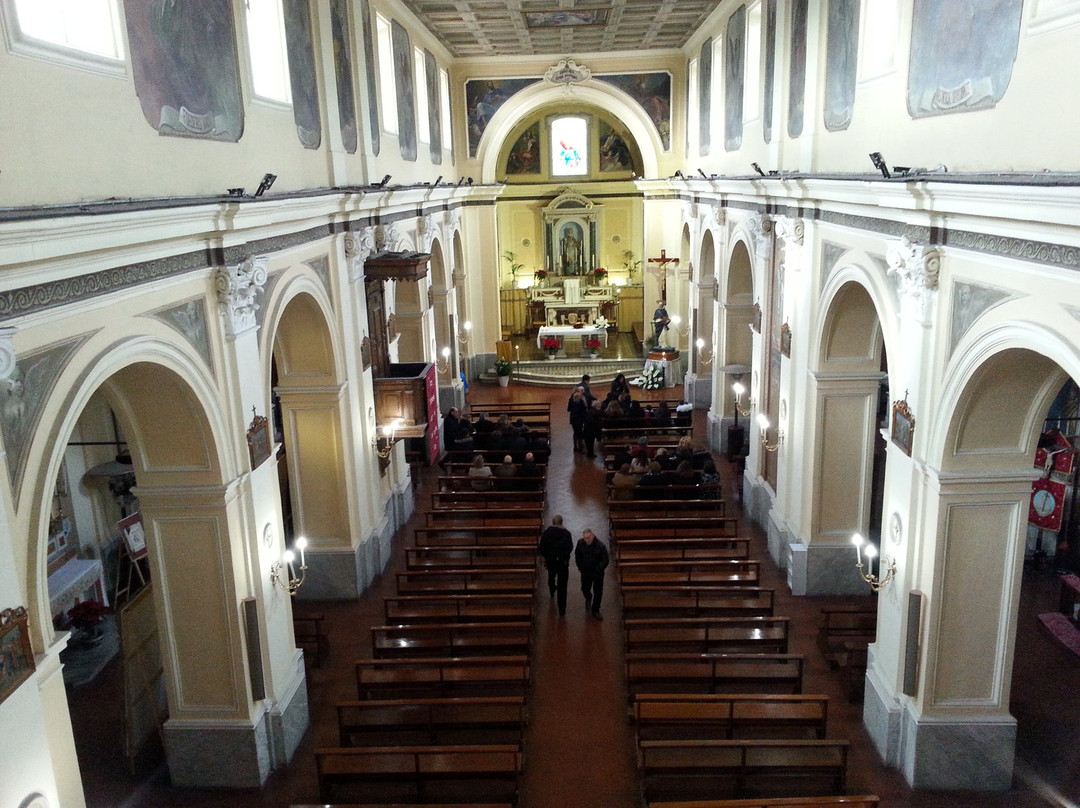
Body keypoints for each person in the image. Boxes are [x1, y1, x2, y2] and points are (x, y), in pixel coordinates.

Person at [538, 515, 574, 615]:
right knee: (562, 585)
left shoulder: (546, 533)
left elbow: (542, 548)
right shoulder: (566, 534)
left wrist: (548, 557)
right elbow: (569, 548)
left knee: (551, 576)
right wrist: (562, 557)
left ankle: (552, 589)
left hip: (551, 562)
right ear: (561, 523)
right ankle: (562, 608)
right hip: (562, 563)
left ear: (553, 522)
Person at [575, 528, 609, 620]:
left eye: (589, 538)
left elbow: (605, 560)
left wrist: (598, 569)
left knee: (598, 591)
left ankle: (596, 610)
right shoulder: (580, 543)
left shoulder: (600, 546)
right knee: (584, 588)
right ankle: (588, 597)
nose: (587, 540)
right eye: (585, 538)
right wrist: (580, 567)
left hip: (597, 573)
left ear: (592, 536)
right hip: (586, 572)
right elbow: (577, 555)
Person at [567, 387, 588, 453]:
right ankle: (580, 448)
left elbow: (568, 409)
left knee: (575, 432)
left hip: (573, 418)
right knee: (580, 432)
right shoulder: (581, 401)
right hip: (580, 418)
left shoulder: (571, 400)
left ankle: (575, 447)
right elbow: (584, 409)